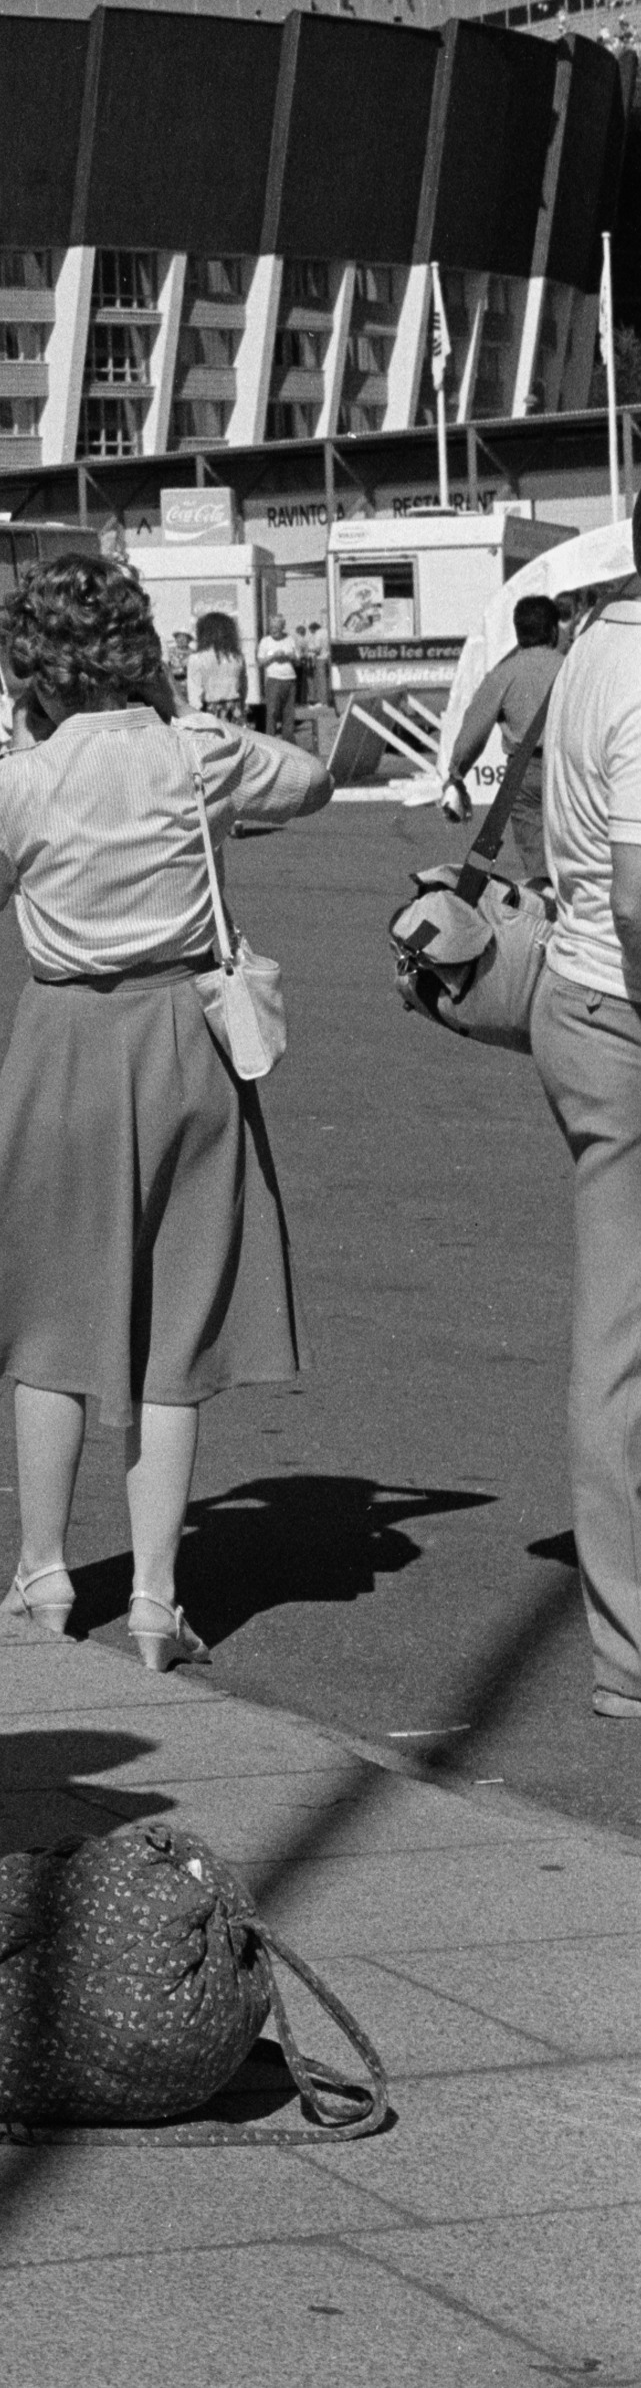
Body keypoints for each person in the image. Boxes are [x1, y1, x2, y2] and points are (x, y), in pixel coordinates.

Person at [0, 556, 331, 1669]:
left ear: (33, 662)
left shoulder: (23, 777)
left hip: (66, 1040)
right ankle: (157, 1601)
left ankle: (45, 1572)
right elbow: (307, 778)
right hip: (185, 1037)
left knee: (51, 1318)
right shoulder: (193, 749)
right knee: (180, 1319)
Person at [528, 553, 641, 1724]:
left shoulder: (596, 642)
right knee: (621, 1347)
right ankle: (633, 1646)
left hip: (579, 999)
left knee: (619, 1332)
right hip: (628, 1011)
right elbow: (640, 895)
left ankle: (627, 1645)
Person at [446, 590, 566, 882]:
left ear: (518, 632)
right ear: (552, 631)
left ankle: (546, 916)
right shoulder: (571, 665)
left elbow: (473, 732)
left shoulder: (504, 673)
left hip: (524, 775)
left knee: (538, 864)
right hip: (569, 768)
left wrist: (456, 774)